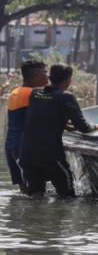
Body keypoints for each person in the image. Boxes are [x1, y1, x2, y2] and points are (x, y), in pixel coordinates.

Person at [18, 64, 97, 198]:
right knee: (67, 196)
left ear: (50, 77)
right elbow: (83, 126)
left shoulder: (35, 93)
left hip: (27, 153)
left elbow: (43, 115)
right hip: (49, 155)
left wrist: (65, 123)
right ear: (68, 80)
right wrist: (94, 127)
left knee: (36, 195)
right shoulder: (66, 97)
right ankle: (62, 218)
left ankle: (33, 218)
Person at [4, 59, 49, 193]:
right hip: (26, 148)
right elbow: (48, 119)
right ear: (37, 76)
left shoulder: (15, 92)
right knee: (37, 193)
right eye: (45, 72)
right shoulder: (34, 94)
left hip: (11, 146)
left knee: (24, 192)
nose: (48, 76)